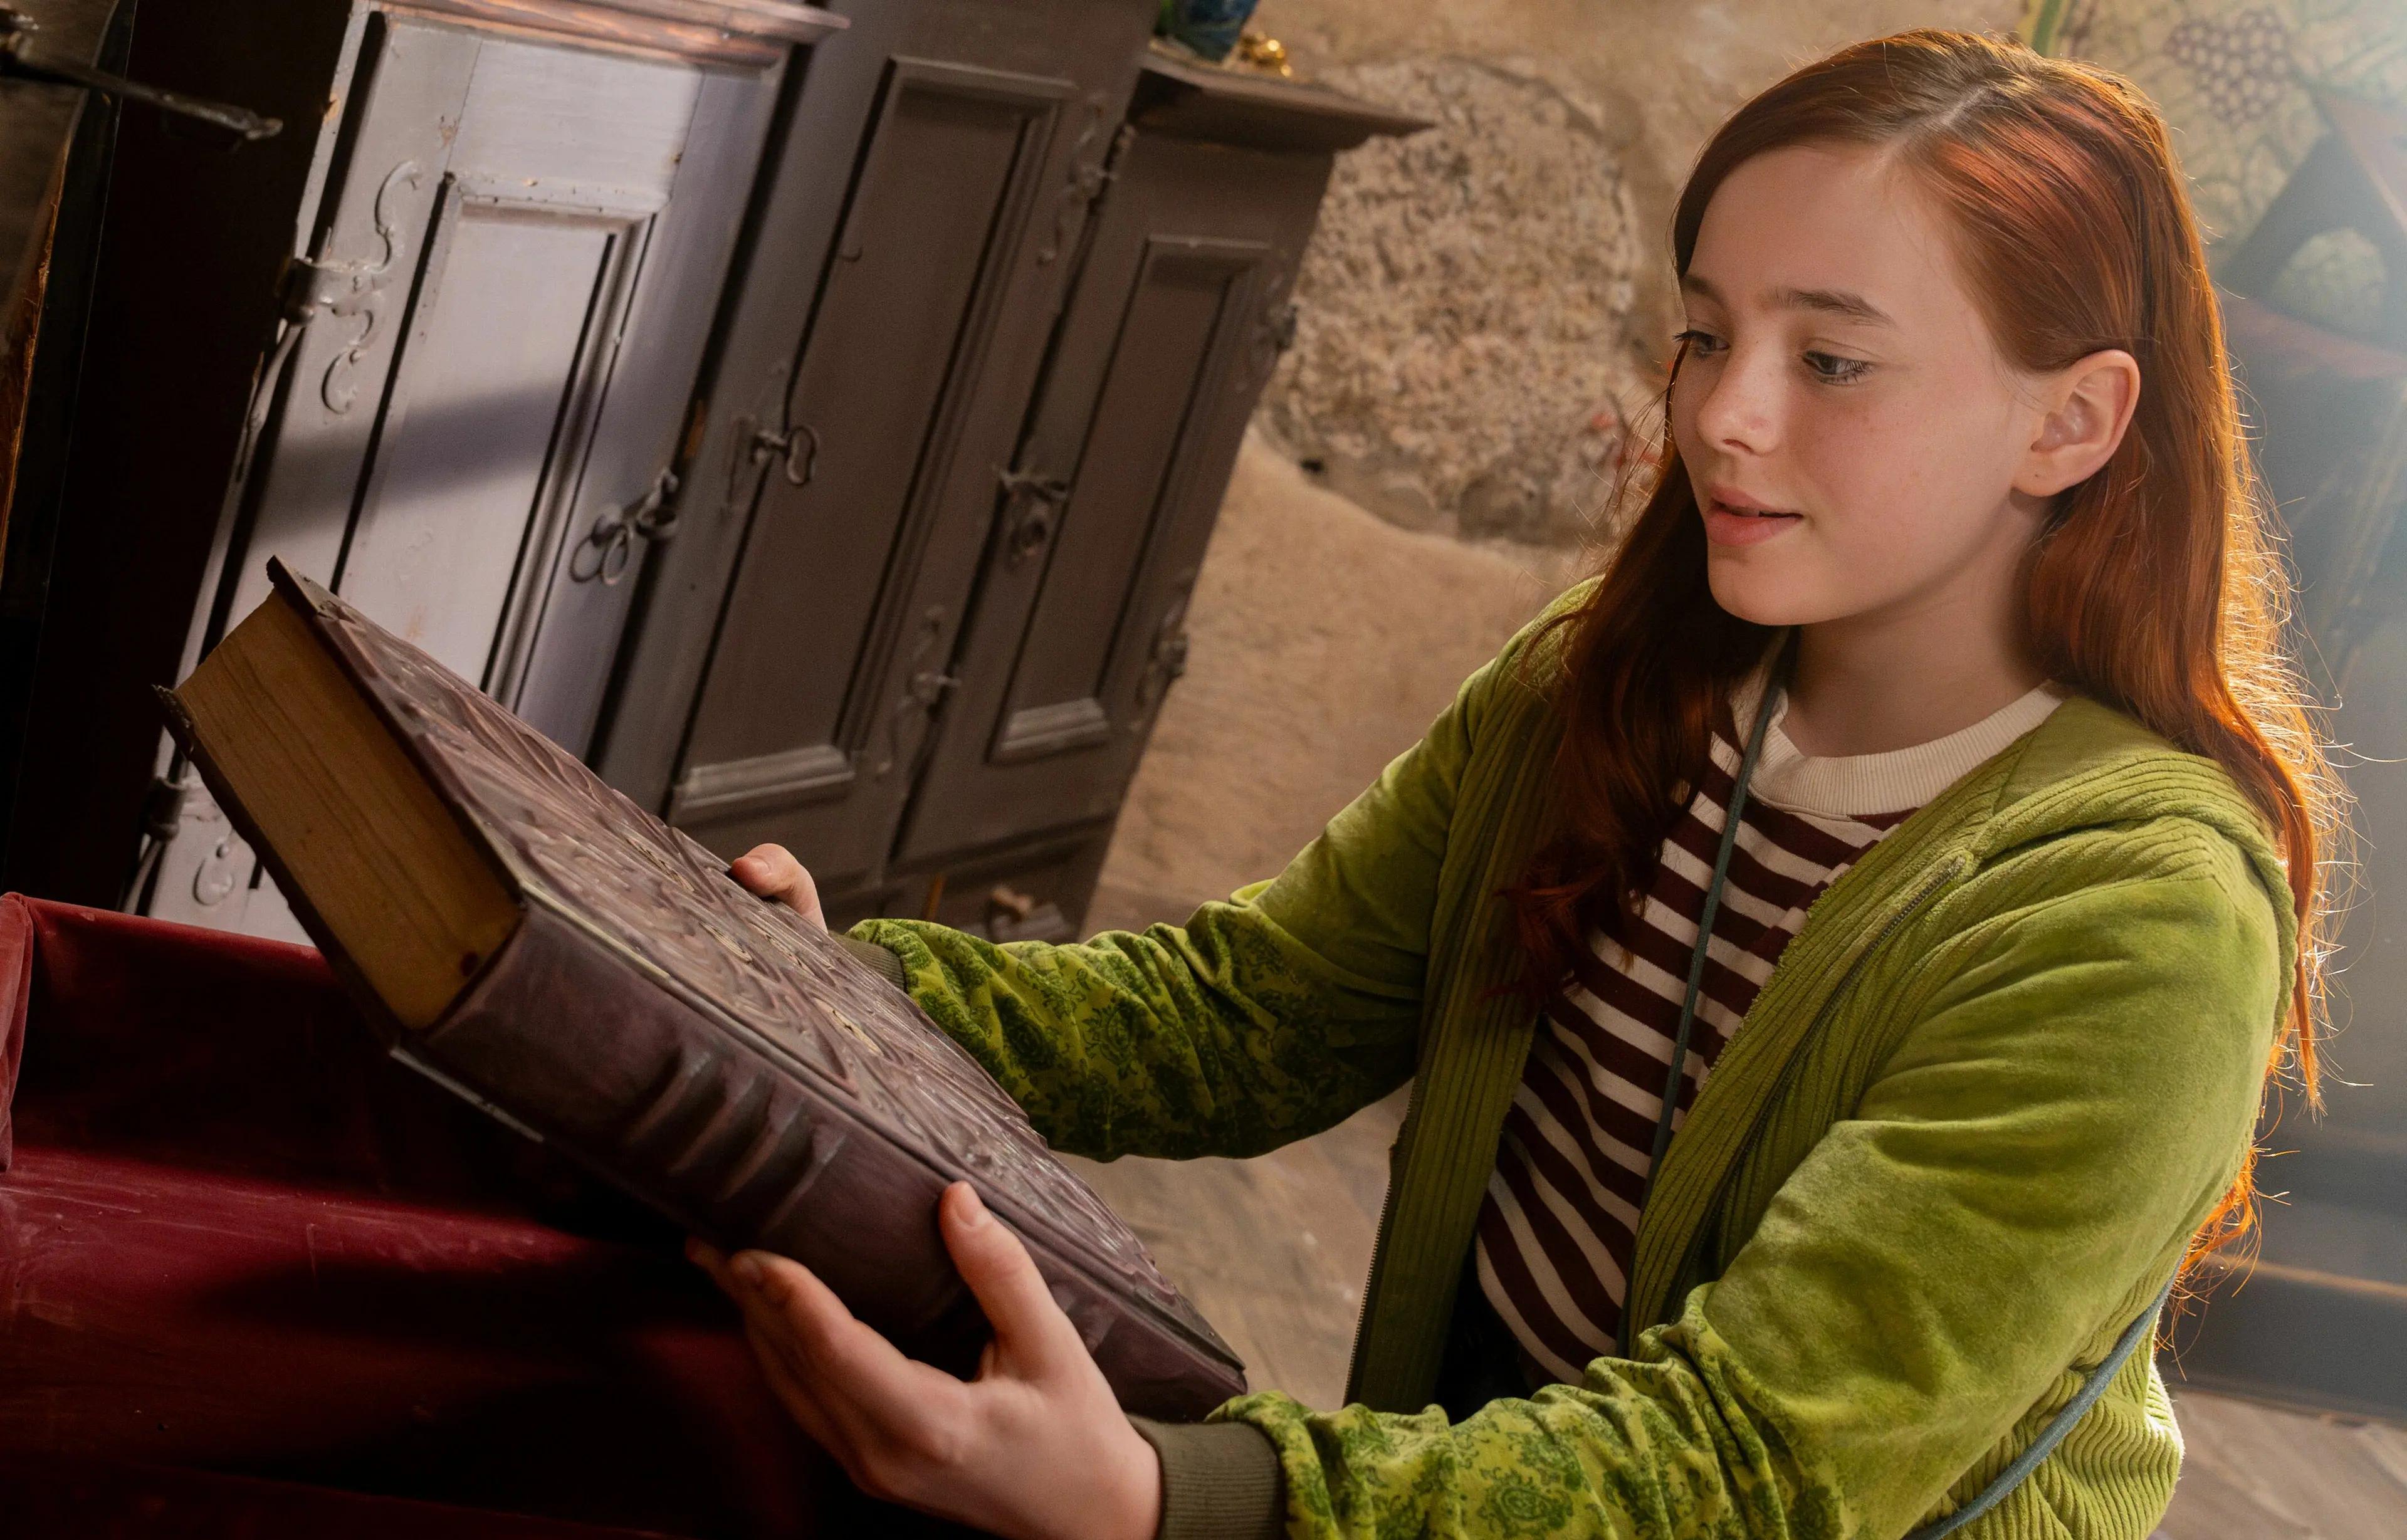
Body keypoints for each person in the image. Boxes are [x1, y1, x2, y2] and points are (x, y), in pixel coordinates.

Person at [692, 28, 2342, 1540]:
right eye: (1706, 334)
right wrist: (834, 992)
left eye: (1832, 360)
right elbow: (1253, 1012)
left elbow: (1744, 1474)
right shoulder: (1610, 677)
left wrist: (1157, 1498)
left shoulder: (2142, 917)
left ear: (2072, 421)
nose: (1722, 415)